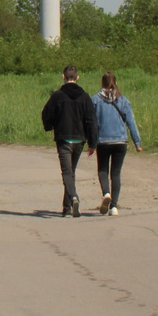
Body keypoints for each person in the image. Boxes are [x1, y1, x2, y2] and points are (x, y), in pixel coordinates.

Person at [42, 65, 97, 217]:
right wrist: (93, 142)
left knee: (67, 172)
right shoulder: (85, 97)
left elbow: (46, 113)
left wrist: (50, 126)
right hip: (79, 139)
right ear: (77, 78)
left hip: (63, 138)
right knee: (71, 172)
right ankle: (67, 207)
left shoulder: (57, 96)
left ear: (63, 77)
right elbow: (91, 120)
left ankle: (73, 197)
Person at [91, 72, 143, 216]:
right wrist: (137, 142)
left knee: (102, 169)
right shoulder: (123, 100)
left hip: (103, 141)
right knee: (116, 173)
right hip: (120, 141)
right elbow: (131, 122)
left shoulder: (95, 100)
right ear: (116, 82)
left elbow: (92, 124)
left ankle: (106, 194)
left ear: (102, 83)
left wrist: (91, 142)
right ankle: (114, 207)